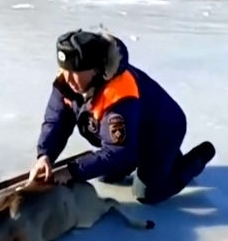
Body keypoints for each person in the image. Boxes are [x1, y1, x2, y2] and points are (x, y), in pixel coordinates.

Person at [26, 27, 216, 205]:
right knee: (107, 177)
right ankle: (160, 162)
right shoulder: (67, 83)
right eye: (65, 70)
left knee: (147, 194)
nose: (68, 78)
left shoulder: (120, 95)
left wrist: (71, 171)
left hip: (162, 131)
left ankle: (195, 159)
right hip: (132, 135)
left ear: (94, 69)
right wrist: (45, 156)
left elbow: (118, 151)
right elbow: (56, 121)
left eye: (76, 72)